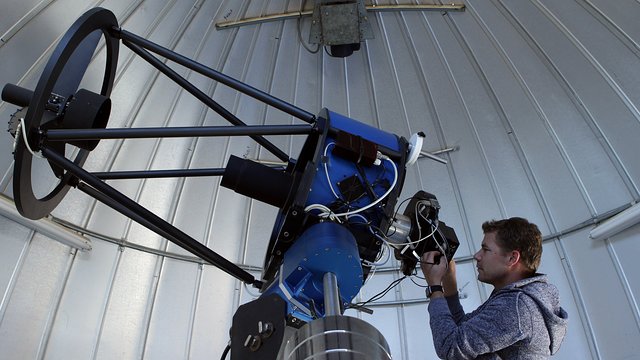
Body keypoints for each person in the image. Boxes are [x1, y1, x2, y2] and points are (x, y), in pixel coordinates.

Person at [420, 217, 568, 359]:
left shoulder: (516, 306)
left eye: (485, 249)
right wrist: (449, 281)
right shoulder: (517, 298)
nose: (477, 255)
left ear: (512, 258)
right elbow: (461, 328)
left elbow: (449, 347)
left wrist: (435, 287)